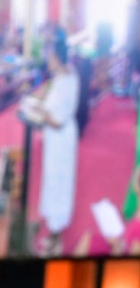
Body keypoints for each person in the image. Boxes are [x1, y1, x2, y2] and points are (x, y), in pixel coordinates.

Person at [26, 35, 81, 257]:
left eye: (49, 57)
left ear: (58, 58)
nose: (47, 61)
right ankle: (52, 228)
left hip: (61, 140)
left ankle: (55, 238)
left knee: (59, 184)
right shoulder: (66, 74)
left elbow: (58, 121)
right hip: (59, 139)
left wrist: (39, 113)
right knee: (54, 181)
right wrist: (40, 106)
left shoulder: (65, 82)